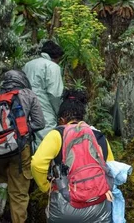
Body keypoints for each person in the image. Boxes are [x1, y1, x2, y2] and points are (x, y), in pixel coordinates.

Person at [31, 90, 114, 223]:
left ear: (62, 119)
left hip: (66, 207)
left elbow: (37, 164)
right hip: (99, 205)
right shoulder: (97, 136)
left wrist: (46, 187)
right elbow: (111, 167)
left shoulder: (57, 134)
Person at [0, 70, 46, 223]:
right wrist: (22, 130)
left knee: (1, 178)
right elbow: (40, 123)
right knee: (19, 191)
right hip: (19, 149)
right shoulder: (27, 94)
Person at [23, 40, 65, 147]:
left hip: (26, 111)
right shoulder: (52, 66)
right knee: (45, 145)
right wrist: (59, 112)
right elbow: (55, 94)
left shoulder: (27, 65)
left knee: (28, 143)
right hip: (45, 112)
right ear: (56, 57)